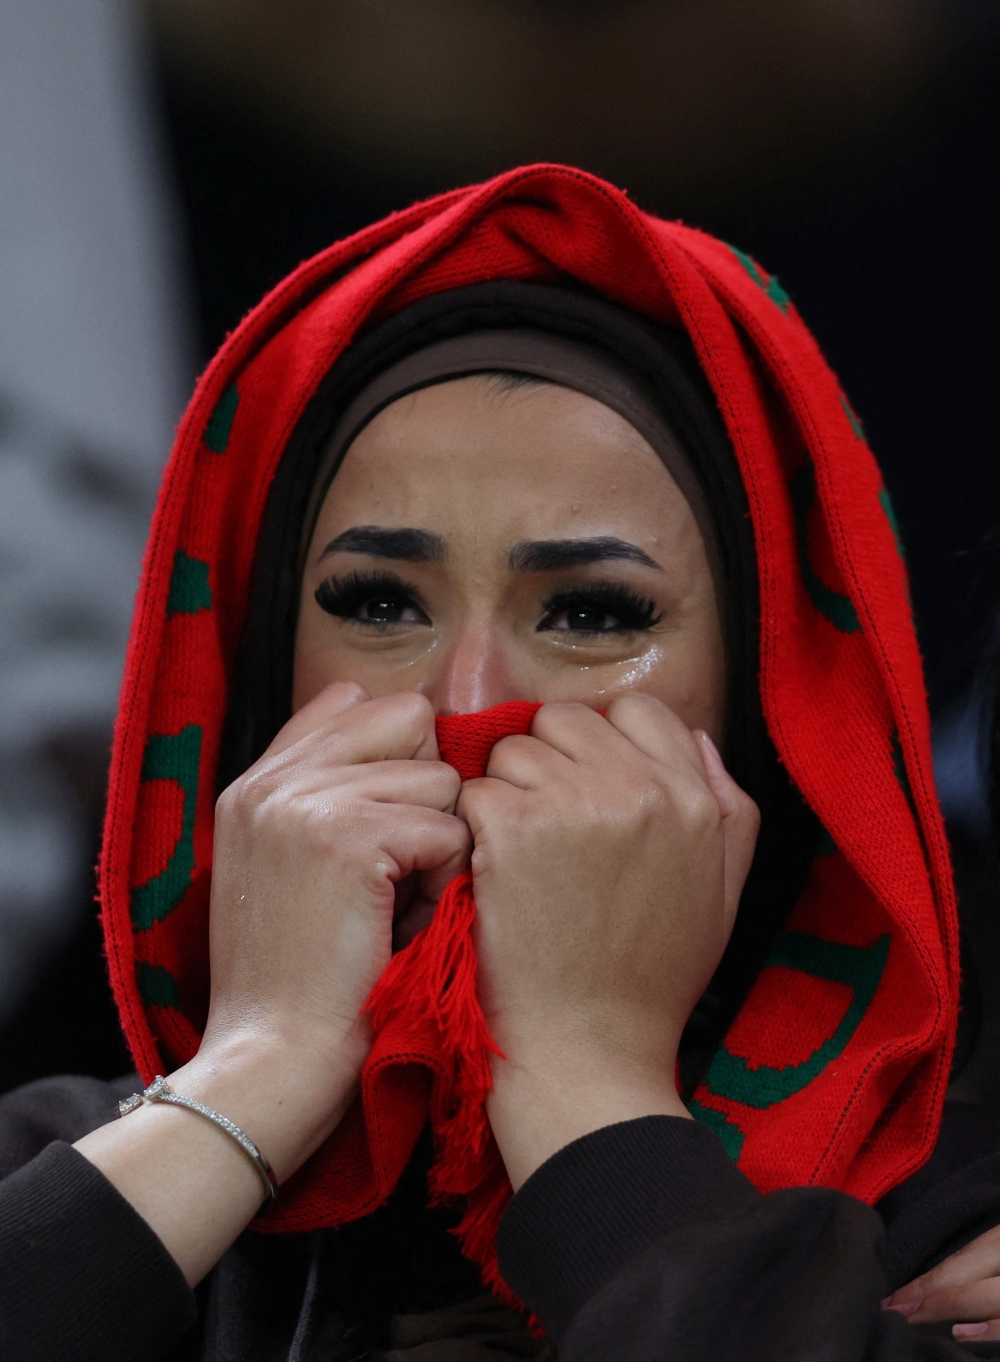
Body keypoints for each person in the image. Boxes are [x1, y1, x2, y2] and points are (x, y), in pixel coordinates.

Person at [0, 165, 997, 1362]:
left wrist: (585, 1081)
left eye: (589, 614)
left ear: (772, 707)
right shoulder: (68, 1172)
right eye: (377, 602)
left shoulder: (951, 1239)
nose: (465, 702)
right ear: (263, 666)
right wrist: (256, 1070)